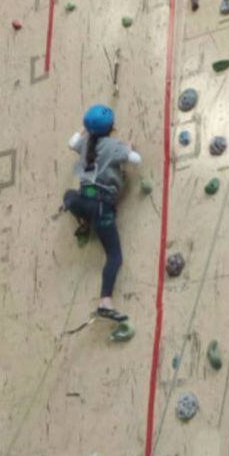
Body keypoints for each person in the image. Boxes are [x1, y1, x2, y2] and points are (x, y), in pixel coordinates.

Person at [62, 104, 141, 322]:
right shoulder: (114, 147)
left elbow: (72, 142)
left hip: (82, 200)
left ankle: (84, 221)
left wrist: (86, 129)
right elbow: (136, 159)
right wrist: (128, 147)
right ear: (112, 127)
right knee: (114, 255)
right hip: (102, 207)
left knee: (68, 196)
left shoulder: (85, 142)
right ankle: (105, 301)